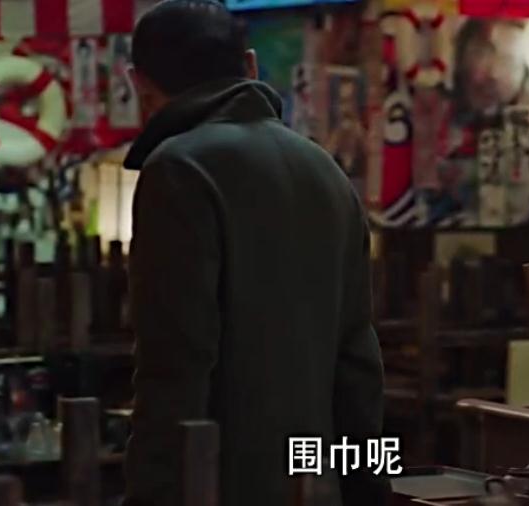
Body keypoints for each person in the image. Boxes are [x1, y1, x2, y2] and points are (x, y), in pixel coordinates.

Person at [122, 2, 388, 506]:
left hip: (223, 485)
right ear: (249, 65)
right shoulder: (325, 169)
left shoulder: (178, 169)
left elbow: (175, 363)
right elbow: (359, 365)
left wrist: (150, 494)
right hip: (315, 483)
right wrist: (372, 490)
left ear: (140, 83)